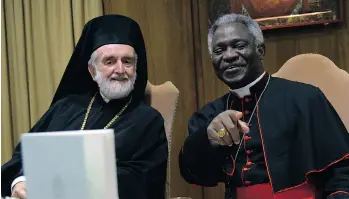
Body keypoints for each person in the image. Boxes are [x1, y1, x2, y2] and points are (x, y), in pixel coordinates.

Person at [178, 13, 349, 199]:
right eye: (219, 50)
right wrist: (209, 140)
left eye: (239, 45)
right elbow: (192, 173)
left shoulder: (306, 99)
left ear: (260, 50)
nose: (229, 56)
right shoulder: (210, 115)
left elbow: (342, 171)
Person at [1, 15, 168, 199]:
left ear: (136, 67)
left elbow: (144, 182)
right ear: (92, 70)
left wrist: (74, 180)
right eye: (110, 61)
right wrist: (21, 180)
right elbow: (24, 155)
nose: (120, 70)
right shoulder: (65, 108)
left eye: (127, 61)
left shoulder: (148, 120)